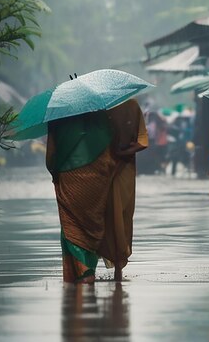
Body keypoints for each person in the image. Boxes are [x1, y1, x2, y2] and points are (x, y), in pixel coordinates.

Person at [46, 99, 147, 283]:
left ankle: (82, 271)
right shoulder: (102, 119)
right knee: (93, 221)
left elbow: (51, 156)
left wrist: (55, 173)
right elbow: (120, 147)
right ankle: (89, 270)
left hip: (68, 178)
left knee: (72, 224)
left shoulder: (59, 115)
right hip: (99, 177)